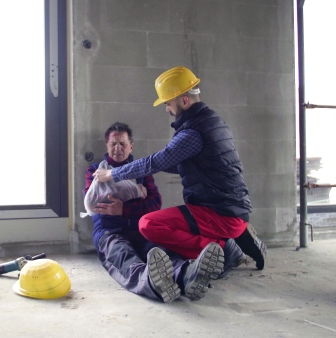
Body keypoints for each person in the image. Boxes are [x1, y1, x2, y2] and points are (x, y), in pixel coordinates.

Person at [93, 66, 267, 272]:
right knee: (174, 222)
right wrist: (143, 169)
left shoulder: (193, 132)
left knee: (148, 225)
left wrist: (114, 173)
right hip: (233, 210)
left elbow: (158, 161)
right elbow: (179, 164)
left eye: (168, 103)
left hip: (220, 214)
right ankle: (235, 239)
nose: (167, 108)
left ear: (184, 100)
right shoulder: (213, 122)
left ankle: (223, 250)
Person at [84, 122, 226, 303]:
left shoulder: (141, 170)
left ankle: (187, 275)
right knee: (123, 257)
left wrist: (123, 208)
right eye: (113, 144)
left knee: (161, 252)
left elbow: (154, 203)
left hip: (139, 229)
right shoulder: (94, 171)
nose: (118, 149)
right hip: (109, 232)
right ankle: (152, 282)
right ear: (107, 145)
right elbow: (94, 202)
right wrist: (136, 192)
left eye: (123, 144)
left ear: (131, 146)